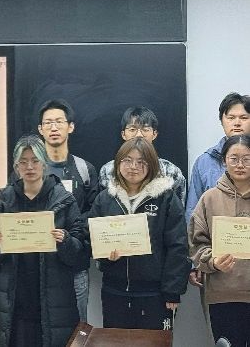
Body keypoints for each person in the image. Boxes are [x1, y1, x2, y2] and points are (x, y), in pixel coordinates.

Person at [0, 135, 85, 347]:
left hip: (54, 297)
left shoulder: (64, 200)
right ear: (16, 166)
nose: (29, 167)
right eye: (23, 162)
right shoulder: (5, 200)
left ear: (44, 163)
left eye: (35, 160)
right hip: (16, 296)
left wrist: (65, 240)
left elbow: (79, 251)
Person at [88, 137, 188, 330]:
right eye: (127, 160)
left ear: (152, 165)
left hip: (154, 293)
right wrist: (105, 255)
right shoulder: (105, 198)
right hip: (114, 290)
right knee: (116, 342)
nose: (133, 167)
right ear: (118, 163)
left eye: (141, 162)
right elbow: (92, 237)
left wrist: (172, 291)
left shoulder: (166, 198)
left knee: (153, 342)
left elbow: (178, 246)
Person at [36, 99, 97, 322]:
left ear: (70, 127)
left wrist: (70, 234)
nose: (54, 127)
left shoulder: (84, 169)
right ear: (40, 129)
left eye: (59, 122)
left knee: (76, 328)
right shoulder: (30, 169)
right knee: (39, 326)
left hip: (74, 266)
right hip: (38, 266)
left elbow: (94, 212)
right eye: (48, 123)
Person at [189, 134, 250, 347]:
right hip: (223, 293)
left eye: (247, 159)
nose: (240, 165)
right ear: (224, 161)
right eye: (234, 159)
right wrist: (212, 261)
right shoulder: (209, 198)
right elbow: (197, 243)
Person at [186, 93, 250, 291]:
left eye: (244, 117)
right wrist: (194, 263)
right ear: (222, 120)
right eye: (231, 117)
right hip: (217, 272)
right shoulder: (204, 162)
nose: (237, 123)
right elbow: (192, 214)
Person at [98, 107, 186, 204]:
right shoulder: (108, 171)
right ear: (123, 134)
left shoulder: (171, 172)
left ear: (154, 134)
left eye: (145, 129)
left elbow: (179, 209)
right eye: (132, 129)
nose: (139, 135)